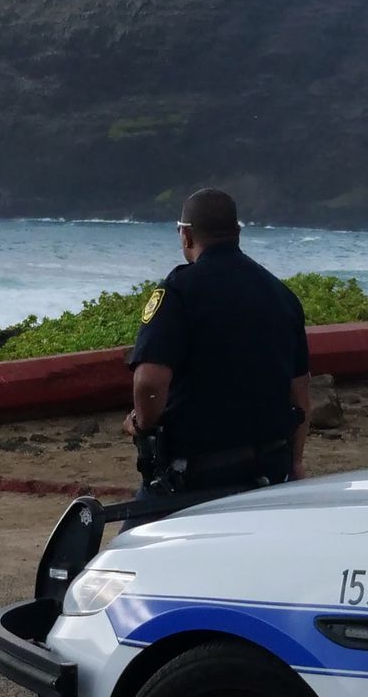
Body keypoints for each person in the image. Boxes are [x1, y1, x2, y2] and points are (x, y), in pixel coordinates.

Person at [124, 188, 312, 509]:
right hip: (270, 466)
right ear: (237, 233)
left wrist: (144, 424)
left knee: (127, 551)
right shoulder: (281, 295)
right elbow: (300, 395)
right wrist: (294, 465)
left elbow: (149, 382)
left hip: (197, 474)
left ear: (185, 236)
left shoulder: (178, 293)